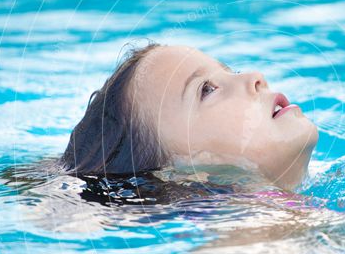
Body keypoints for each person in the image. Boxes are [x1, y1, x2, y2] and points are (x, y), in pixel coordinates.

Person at [62, 42, 319, 191]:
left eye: (229, 71)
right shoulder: (247, 237)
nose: (254, 76)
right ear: (180, 175)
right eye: (207, 89)